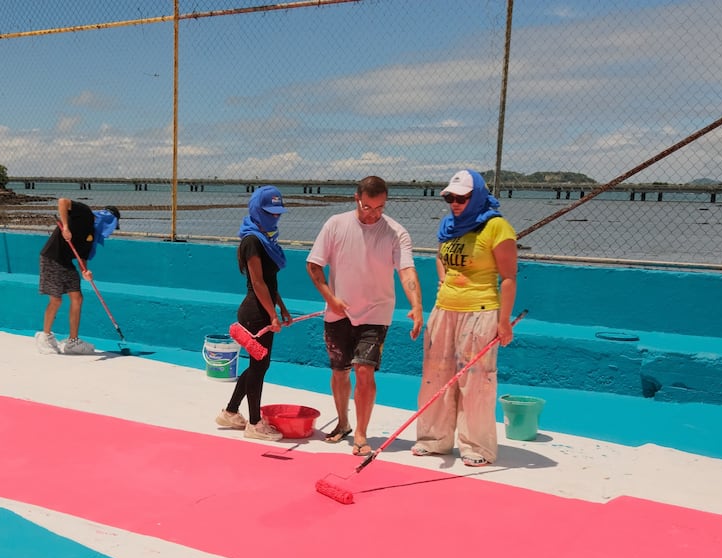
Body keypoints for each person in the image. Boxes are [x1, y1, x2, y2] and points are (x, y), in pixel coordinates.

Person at [306, 176, 423, 454]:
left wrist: (417, 305)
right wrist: (330, 299)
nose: (374, 215)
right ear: (356, 198)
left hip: (376, 312)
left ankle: (360, 433)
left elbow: (406, 270)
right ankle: (343, 422)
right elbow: (313, 266)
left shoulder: (396, 232)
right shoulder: (336, 224)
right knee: (339, 371)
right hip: (339, 311)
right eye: (368, 207)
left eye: (380, 208)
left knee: (364, 370)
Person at [412, 169, 517, 467]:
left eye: (461, 198)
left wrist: (504, 320)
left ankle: (477, 445)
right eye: (450, 197)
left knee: (476, 380)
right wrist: (443, 280)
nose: (454, 203)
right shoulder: (449, 225)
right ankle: (434, 439)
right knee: (436, 375)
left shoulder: (497, 228)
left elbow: (509, 277)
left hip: (480, 310)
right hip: (444, 309)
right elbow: (439, 256)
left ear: (477, 196)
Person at [215, 185, 293, 441]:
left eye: (277, 212)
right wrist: (271, 314)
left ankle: (230, 411)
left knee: (259, 365)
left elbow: (271, 282)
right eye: (270, 212)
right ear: (257, 210)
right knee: (259, 366)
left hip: (265, 308)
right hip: (255, 313)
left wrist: (281, 307)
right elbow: (258, 282)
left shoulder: (267, 240)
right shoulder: (252, 241)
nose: (275, 217)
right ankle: (255, 423)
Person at [35, 199, 121, 355]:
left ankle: (72, 342)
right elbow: (62, 202)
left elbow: (82, 258)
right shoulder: (85, 213)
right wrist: (65, 227)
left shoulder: (92, 236)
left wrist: (85, 272)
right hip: (52, 257)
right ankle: (45, 336)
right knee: (56, 299)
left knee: (77, 297)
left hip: (66, 261)